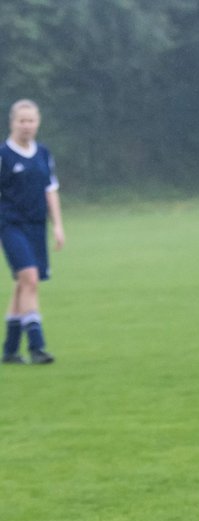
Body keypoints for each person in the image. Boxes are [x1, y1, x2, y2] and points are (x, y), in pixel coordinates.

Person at [1, 99, 63, 365]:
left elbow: (50, 189)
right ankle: (37, 347)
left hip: (36, 226)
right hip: (10, 225)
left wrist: (58, 224)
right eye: (21, 121)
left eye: (31, 121)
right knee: (30, 279)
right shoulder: (3, 155)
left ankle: (11, 350)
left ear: (38, 123)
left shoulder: (43, 153)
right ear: (12, 122)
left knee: (22, 284)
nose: (27, 126)